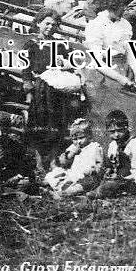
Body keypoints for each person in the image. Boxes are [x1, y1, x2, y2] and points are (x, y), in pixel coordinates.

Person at [23, 8, 85, 159]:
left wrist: (66, 66)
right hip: (41, 89)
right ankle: (39, 159)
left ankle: (53, 158)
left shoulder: (60, 45)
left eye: (54, 25)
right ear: (38, 23)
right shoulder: (31, 44)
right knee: (39, 126)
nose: (50, 27)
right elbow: (25, 67)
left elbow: (73, 63)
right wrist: (28, 88)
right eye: (47, 23)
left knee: (57, 125)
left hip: (58, 89)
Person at [88, 110, 136, 198]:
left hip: (134, 181)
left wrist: (121, 179)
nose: (116, 135)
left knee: (110, 187)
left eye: (120, 130)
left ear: (126, 127)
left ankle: (98, 193)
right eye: (112, 132)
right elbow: (112, 165)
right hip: (119, 177)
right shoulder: (113, 145)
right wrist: (109, 172)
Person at [84, 0, 136, 88]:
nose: (124, 10)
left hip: (123, 70)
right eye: (122, 7)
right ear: (112, 6)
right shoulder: (96, 25)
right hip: (103, 73)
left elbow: (129, 50)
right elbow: (97, 61)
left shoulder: (125, 24)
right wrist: (120, 79)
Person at [0, 110, 38, 195]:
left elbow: (26, 164)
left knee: (26, 182)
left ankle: (13, 193)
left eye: (4, 130)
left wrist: (17, 176)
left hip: (13, 180)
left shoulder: (13, 144)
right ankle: (18, 194)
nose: (0, 134)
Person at [44, 118, 104, 197]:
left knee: (80, 186)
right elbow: (63, 162)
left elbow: (100, 163)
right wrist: (70, 154)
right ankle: (50, 186)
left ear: (89, 136)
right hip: (73, 174)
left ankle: (62, 193)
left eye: (81, 138)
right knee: (55, 174)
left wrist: (94, 170)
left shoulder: (94, 147)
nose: (78, 141)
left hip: (87, 176)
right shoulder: (73, 147)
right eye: (75, 139)